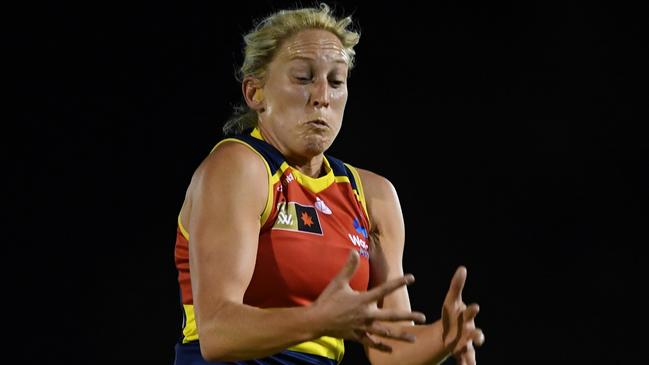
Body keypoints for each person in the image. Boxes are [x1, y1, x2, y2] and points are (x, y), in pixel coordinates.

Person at [173, 3, 484, 364]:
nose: (322, 96)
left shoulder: (372, 195)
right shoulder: (239, 166)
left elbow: (390, 349)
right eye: (303, 78)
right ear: (255, 93)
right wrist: (318, 318)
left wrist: (443, 337)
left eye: (336, 81)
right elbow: (217, 333)